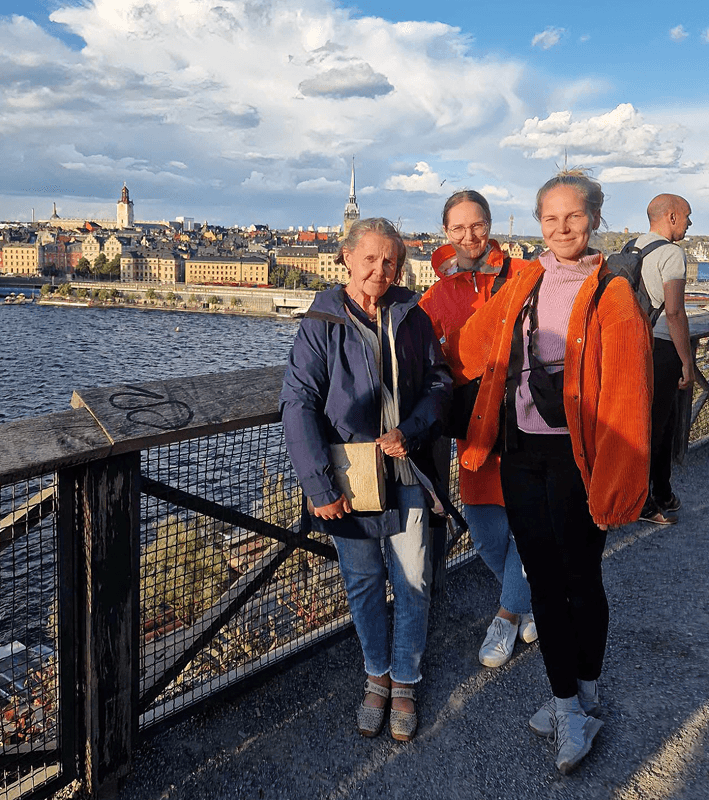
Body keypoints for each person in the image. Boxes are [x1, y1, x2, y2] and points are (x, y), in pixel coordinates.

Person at [448, 171, 653, 774]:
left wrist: (619, 484)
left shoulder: (613, 292)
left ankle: (577, 701)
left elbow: (629, 394)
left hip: (578, 456)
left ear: (593, 218)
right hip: (521, 451)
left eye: (574, 216)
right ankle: (572, 700)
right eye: (551, 218)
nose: (562, 228)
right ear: (539, 222)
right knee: (544, 579)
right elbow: (472, 345)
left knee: (579, 578)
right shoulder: (526, 280)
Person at [280, 217, 452, 742]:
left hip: (406, 469)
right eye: (371, 258)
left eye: (390, 261)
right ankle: (377, 676)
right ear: (347, 258)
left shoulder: (413, 316)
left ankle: (405, 681)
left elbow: (440, 382)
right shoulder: (322, 322)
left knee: (414, 580)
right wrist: (319, 487)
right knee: (363, 581)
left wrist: (411, 430)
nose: (380, 269)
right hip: (349, 477)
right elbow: (297, 403)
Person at [419, 190, 536, 669]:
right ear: (446, 232)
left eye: (478, 225)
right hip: (475, 431)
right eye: (458, 228)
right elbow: (416, 357)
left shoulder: (523, 275)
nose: (469, 236)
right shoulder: (435, 297)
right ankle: (533, 600)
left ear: (491, 224)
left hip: (526, 421)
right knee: (487, 535)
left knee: (528, 529)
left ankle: (506, 617)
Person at [635, 194, 695, 524]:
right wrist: (686, 361)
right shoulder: (672, 254)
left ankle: (662, 492)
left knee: (654, 422)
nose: (689, 223)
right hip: (661, 349)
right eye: (687, 216)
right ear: (671, 217)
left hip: (631, 346)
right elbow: (674, 312)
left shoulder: (632, 247)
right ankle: (645, 501)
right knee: (658, 428)